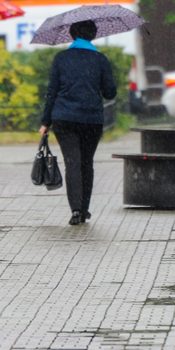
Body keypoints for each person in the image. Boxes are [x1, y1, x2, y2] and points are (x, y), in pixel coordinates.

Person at [39, 20, 117, 226]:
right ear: (93, 35)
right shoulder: (100, 59)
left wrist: (45, 122)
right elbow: (110, 93)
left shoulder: (61, 58)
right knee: (86, 163)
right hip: (91, 119)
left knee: (72, 163)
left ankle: (75, 210)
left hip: (64, 118)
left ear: (72, 35)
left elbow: (52, 92)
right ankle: (84, 209)